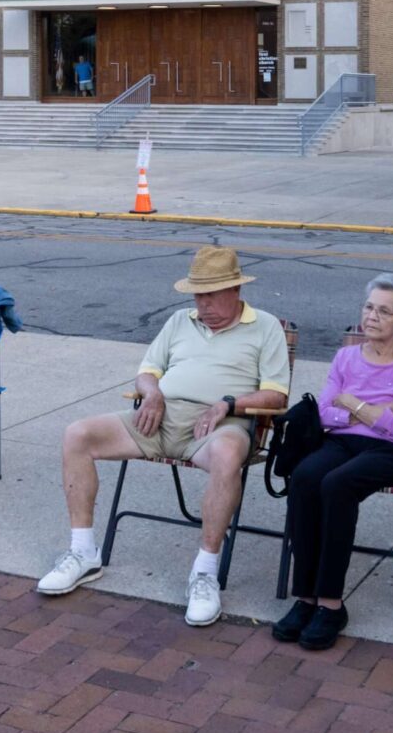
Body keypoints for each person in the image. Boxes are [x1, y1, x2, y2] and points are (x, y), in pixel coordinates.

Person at [38, 243, 290, 627]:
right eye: (197, 294)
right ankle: (83, 552)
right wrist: (151, 392)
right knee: (78, 434)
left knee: (226, 456)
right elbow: (147, 370)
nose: (201, 303)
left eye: (210, 294)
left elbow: (276, 394)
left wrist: (227, 404)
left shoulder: (266, 326)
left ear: (236, 291)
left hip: (220, 425)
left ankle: (205, 573)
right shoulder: (179, 321)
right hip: (157, 419)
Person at [272, 274, 393, 652]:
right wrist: (375, 409)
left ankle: (331, 604)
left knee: (337, 484)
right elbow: (324, 415)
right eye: (368, 307)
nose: (372, 316)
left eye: (383, 311)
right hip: (343, 441)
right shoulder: (347, 356)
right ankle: (305, 598)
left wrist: (352, 402)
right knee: (305, 476)